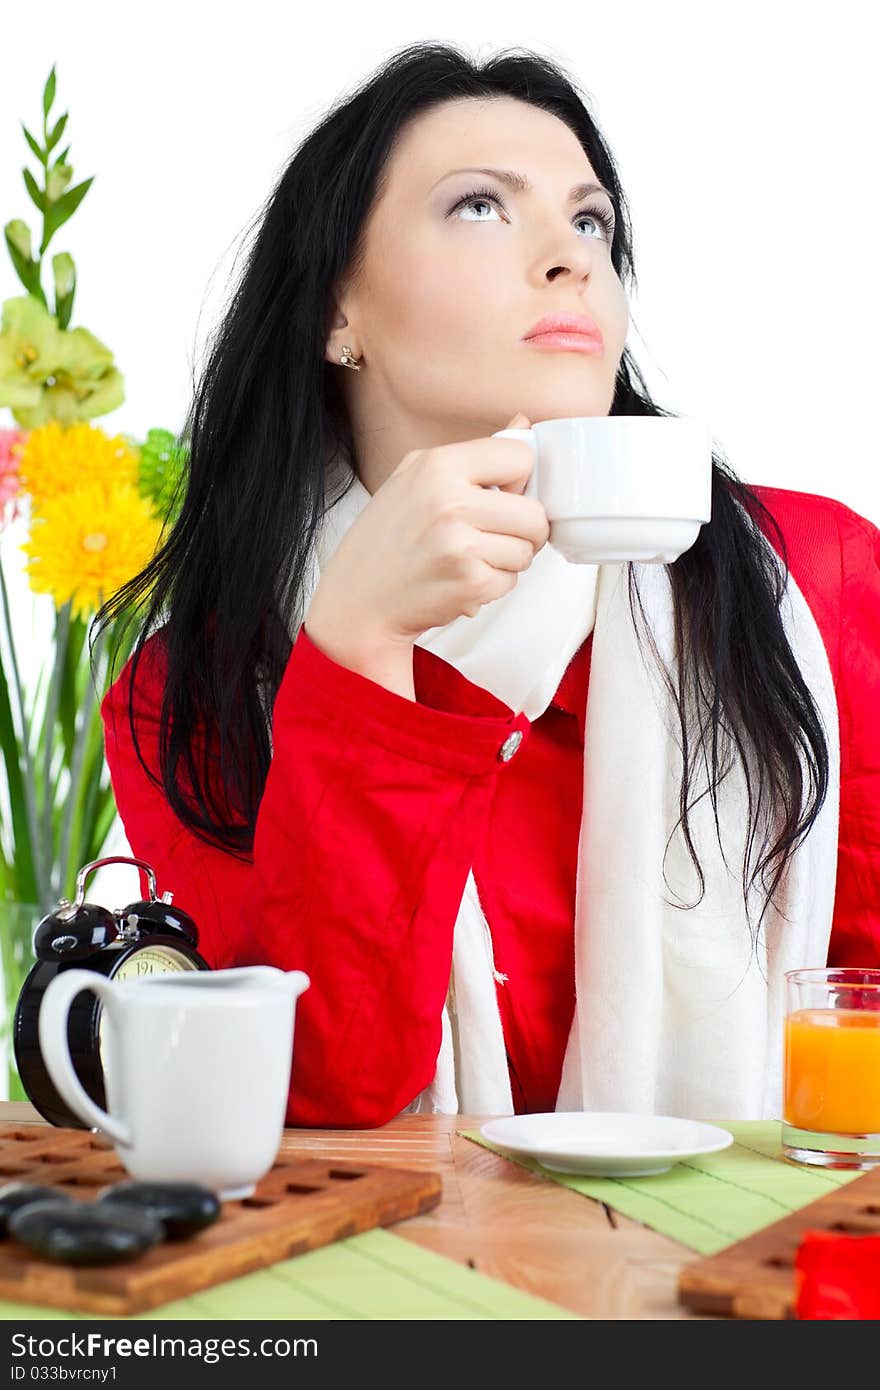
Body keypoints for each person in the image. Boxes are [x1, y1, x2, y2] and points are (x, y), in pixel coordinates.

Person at [94, 43, 880, 1128]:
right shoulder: (188, 687)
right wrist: (360, 646)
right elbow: (329, 1093)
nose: (571, 258)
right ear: (337, 313)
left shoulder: (811, 579)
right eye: (478, 207)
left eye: (590, 221)